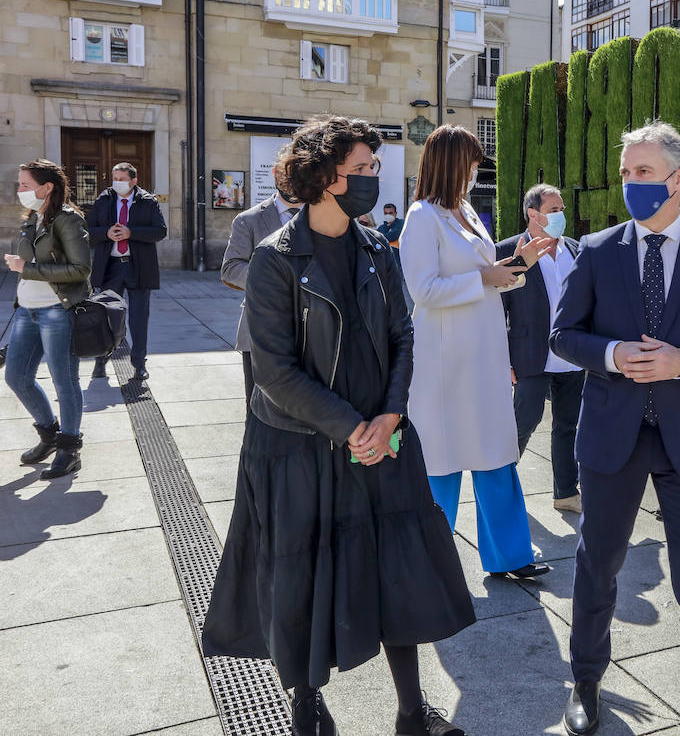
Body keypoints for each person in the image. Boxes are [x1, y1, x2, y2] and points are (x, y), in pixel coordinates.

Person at [201, 116, 476, 736]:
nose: (374, 181)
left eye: (375, 170)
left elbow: (405, 337)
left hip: (383, 434)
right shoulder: (274, 260)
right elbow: (273, 369)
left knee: (397, 566)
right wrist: (353, 427)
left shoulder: (379, 247)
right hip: (300, 443)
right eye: (364, 170)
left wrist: (390, 415)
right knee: (300, 570)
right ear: (325, 177)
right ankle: (305, 705)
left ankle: (412, 710)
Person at [550, 122, 680, 736]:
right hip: (612, 437)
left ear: (678, 179)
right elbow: (563, 335)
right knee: (598, 564)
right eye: (627, 173)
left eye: (644, 172)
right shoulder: (597, 250)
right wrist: (613, 354)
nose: (632, 183)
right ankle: (585, 681)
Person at [401, 124, 552, 580]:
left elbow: (486, 273)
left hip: (483, 353)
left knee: (495, 452)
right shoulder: (422, 217)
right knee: (441, 460)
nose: (474, 170)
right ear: (450, 163)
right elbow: (423, 290)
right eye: (470, 162)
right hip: (446, 362)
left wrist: (517, 266)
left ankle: (511, 556)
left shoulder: (464, 210)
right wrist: (485, 279)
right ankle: (429, 563)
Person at [496, 183, 584, 514]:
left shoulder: (575, 249)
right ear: (533, 214)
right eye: (553, 211)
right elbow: (497, 309)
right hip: (530, 354)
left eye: (562, 210)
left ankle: (566, 492)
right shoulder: (507, 249)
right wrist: (504, 360)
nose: (561, 216)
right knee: (523, 423)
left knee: (569, 425)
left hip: (572, 356)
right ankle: (500, 490)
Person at [5, 160, 92, 480]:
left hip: (58, 310)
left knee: (64, 381)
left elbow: (81, 269)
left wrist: (24, 269)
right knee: (16, 377)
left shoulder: (68, 220)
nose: (20, 191)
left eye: (25, 185)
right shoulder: (31, 219)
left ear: (47, 187)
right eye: (20, 185)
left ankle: (70, 449)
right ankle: (50, 436)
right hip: (28, 311)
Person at [221, 175, 300, 398]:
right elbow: (230, 268)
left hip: (314, 332)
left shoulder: (322, 217)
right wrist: (272, 279)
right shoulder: (249, 219)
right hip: (261, 330)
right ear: (276, 175)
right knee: (259, 411)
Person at [86, 162, 166, 381]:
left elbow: (160, 231)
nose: (117, 183)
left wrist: (132, 232)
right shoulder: (104, 200)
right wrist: (106, 233)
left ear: (134, 181)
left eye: (122, 179)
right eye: (115, 178)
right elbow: (87, 231)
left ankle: (139, 364)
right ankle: (100, 362)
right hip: (110, 268)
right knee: (107, 317)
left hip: (138, 267)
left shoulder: (148, 202)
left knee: (139, 320)